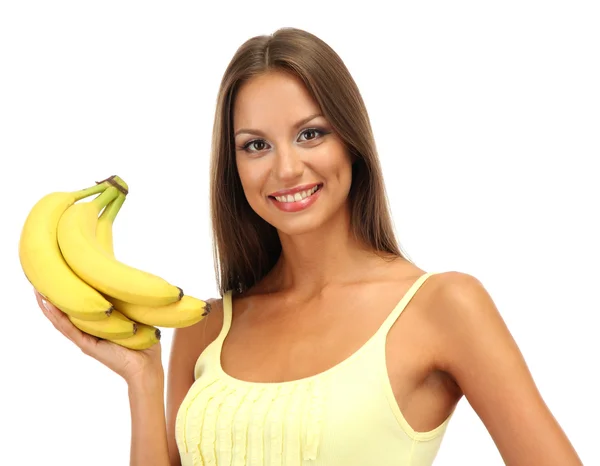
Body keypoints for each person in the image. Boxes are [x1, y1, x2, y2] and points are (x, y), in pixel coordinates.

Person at [35, 27, 583, 466]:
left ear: (351, 140)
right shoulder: (206, 324)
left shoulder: (442, 306)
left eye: (311, 133)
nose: (287, 168)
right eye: (256, 145)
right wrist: (142, 378)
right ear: (235, 167)